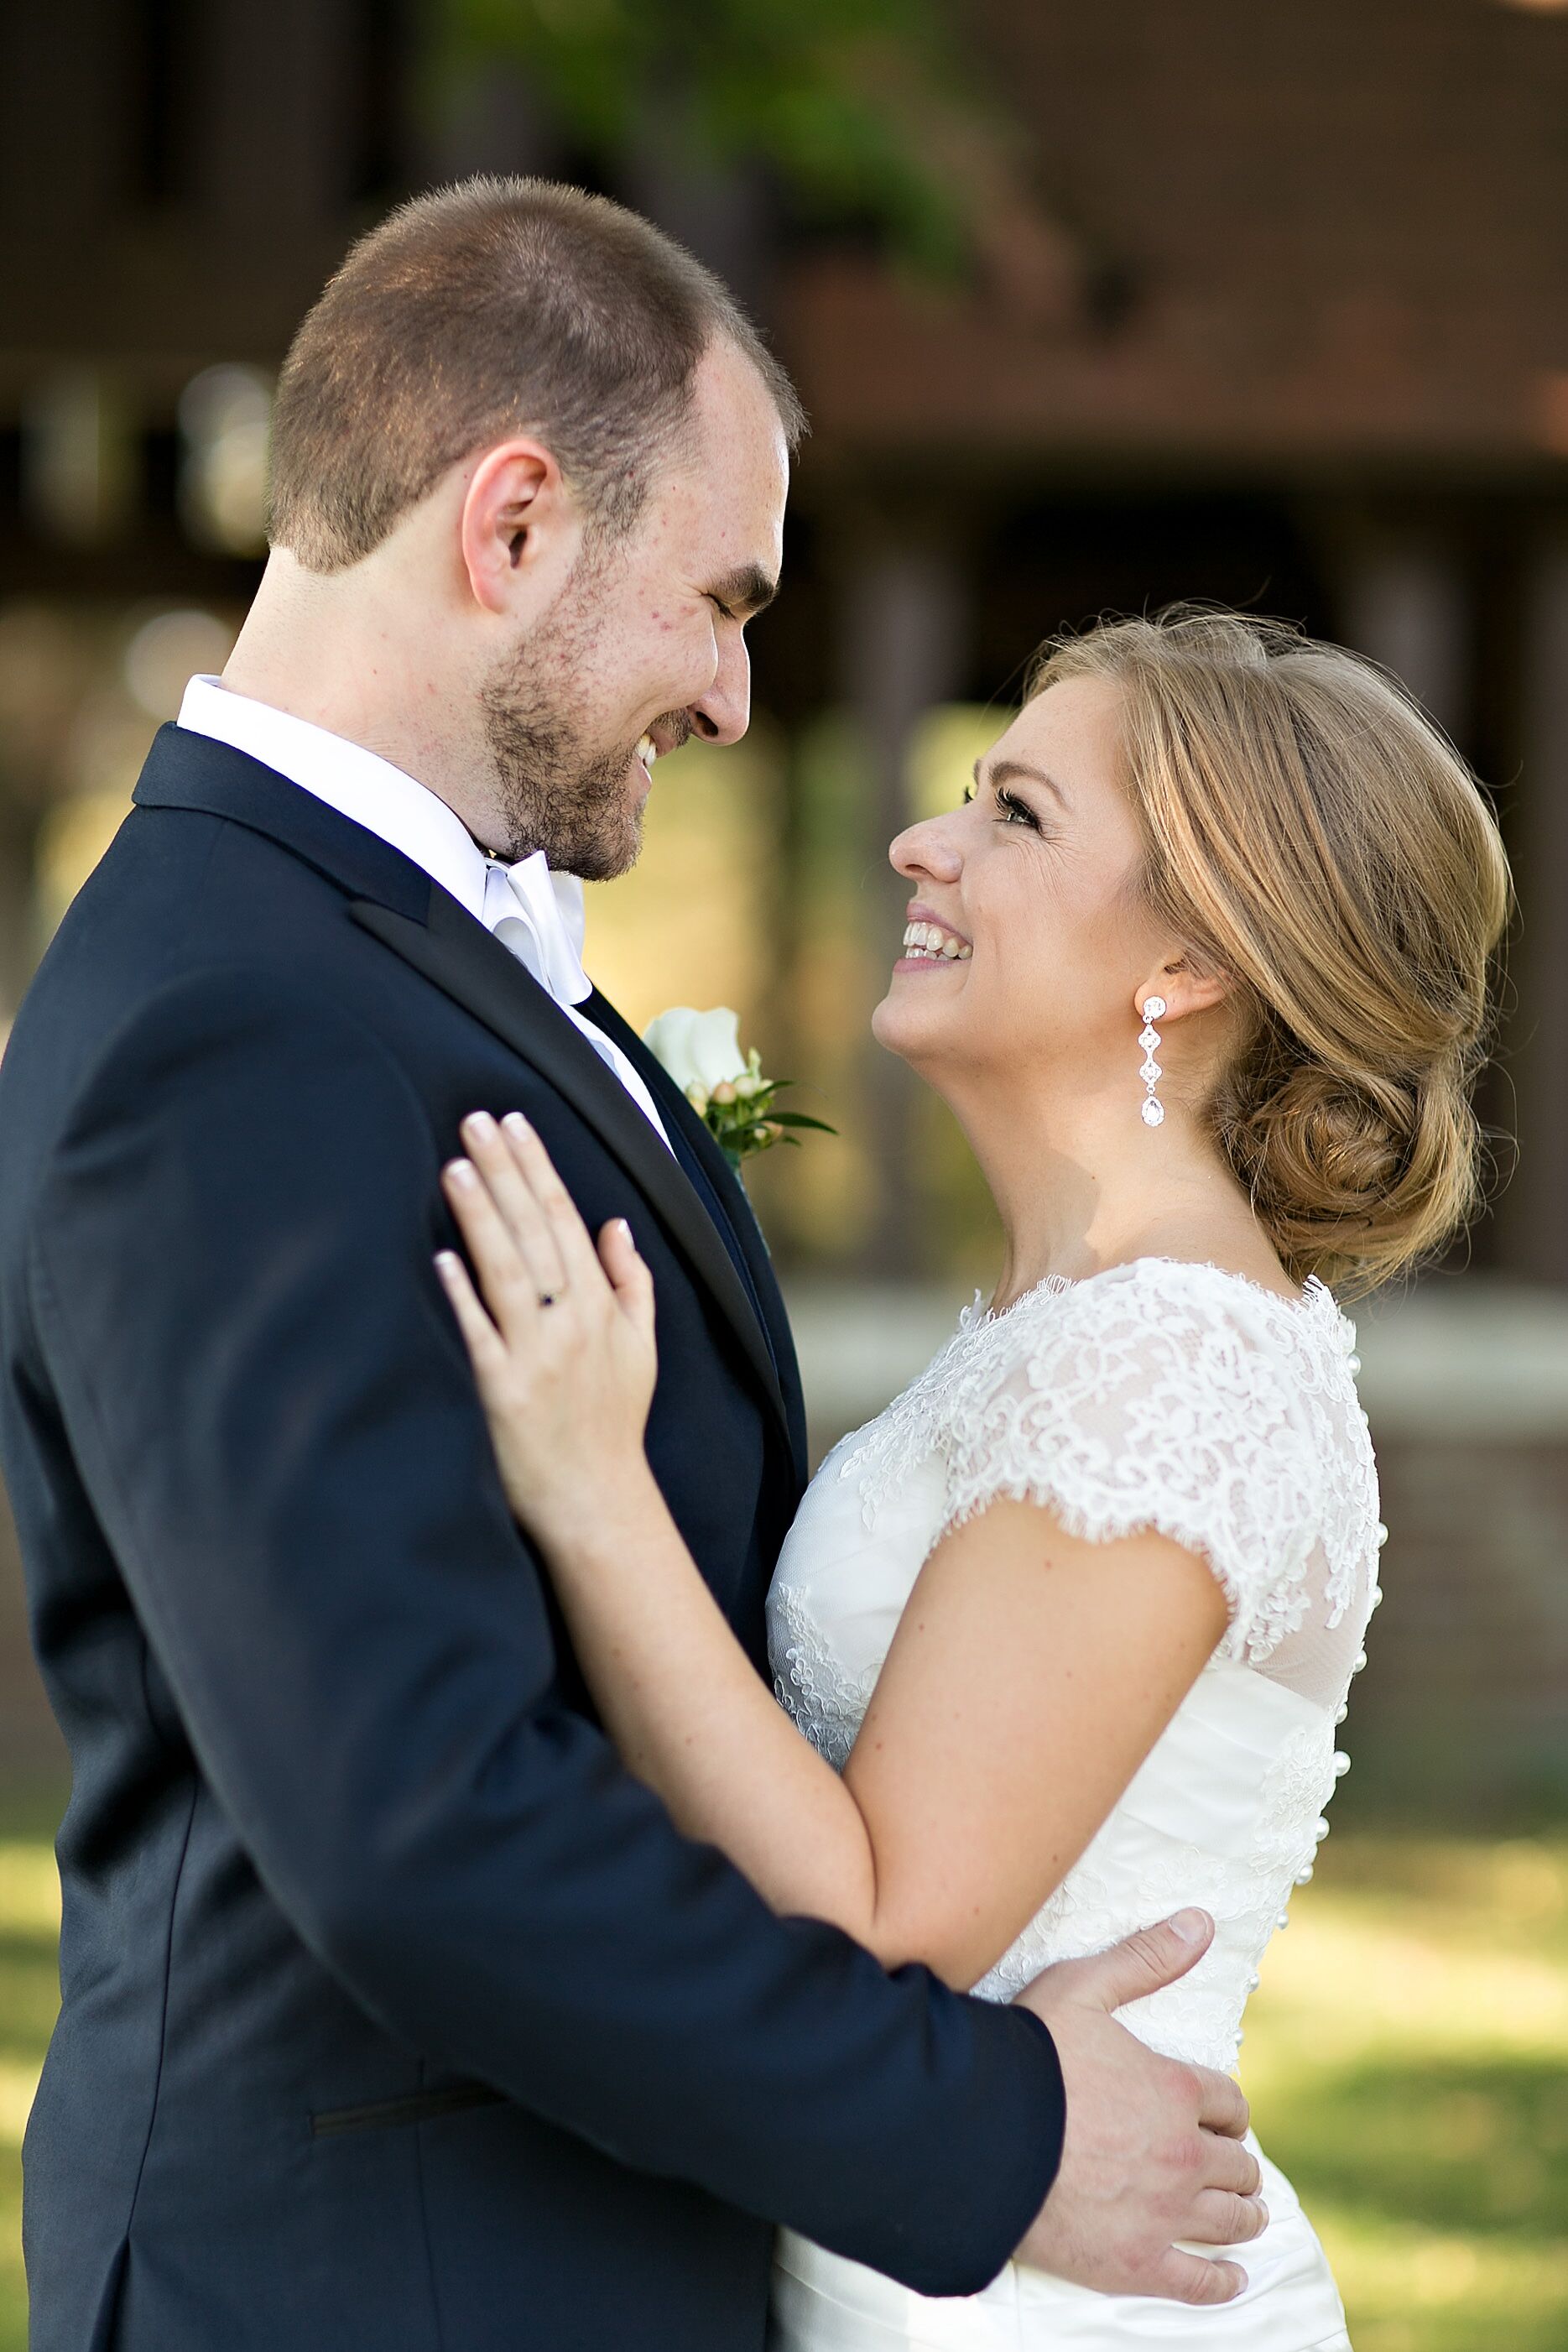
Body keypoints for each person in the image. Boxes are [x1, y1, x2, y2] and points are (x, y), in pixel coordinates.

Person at [0, 184, 1263, 2352]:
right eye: (715, 601)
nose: (736, 692)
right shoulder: (237, 1018)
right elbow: (414, 1825)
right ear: (508, 530)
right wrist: (983, 2126)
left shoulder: (378, 955)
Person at [433, 606, 1510, 2350]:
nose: (916, 841)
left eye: (1015, 815)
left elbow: (882, 1920)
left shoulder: (1170, 1357)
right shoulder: (1071, 1322)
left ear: (1185, 964)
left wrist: (587, 1487)